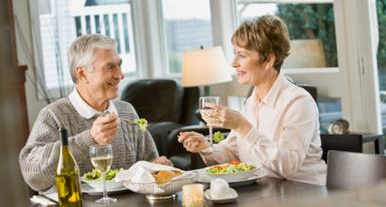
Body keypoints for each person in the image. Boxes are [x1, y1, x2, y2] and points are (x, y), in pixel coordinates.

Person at [178, 15, 326, 185]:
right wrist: (206, 147)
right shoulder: (251, 103)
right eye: (235, 53)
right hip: (266, 192)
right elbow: (232, 152)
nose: (234, 63)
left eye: (242, 55)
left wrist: (243, 126)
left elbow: (287, 167)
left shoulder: (299, 102)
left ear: (269, 60)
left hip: (304, 192)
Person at [20, 34, 170, 192]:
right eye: (110, 67)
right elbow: (33, 175)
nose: (120, 75)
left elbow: (148, 164)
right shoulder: (54, 115)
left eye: (119, 65)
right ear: (82, 74)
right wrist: (89, 140)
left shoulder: (126, 111)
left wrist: (157, 168)